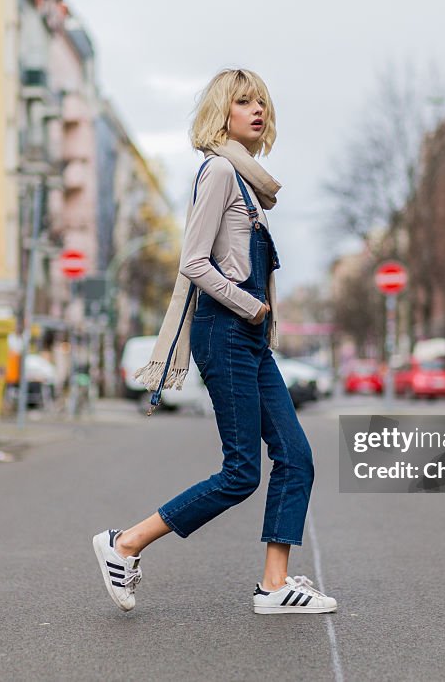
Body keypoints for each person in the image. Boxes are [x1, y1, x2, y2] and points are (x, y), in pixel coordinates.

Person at [92, 68, 336, 615]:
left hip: (247, 338)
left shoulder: (249, 183)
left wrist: (258, 319)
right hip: (225, 332)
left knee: (296, 455)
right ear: (221, 113)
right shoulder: (220, 172)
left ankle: (276, 587)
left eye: (263, 103)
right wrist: (251, 305)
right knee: (241, 472)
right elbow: (194, 263)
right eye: (244, 102)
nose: (258, 110)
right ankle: (124, 543)